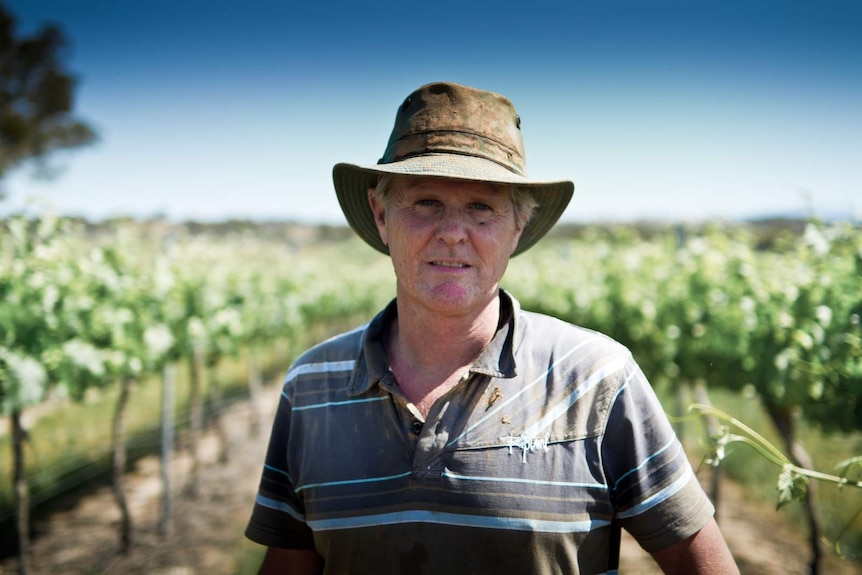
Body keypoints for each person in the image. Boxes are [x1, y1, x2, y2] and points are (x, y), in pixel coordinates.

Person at [245, 81, 739, 574]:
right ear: (381, 214)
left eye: (482, 207)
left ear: (517, 228)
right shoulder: (310, 386)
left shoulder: (597, 379)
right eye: (425, 202)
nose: (453, 232)